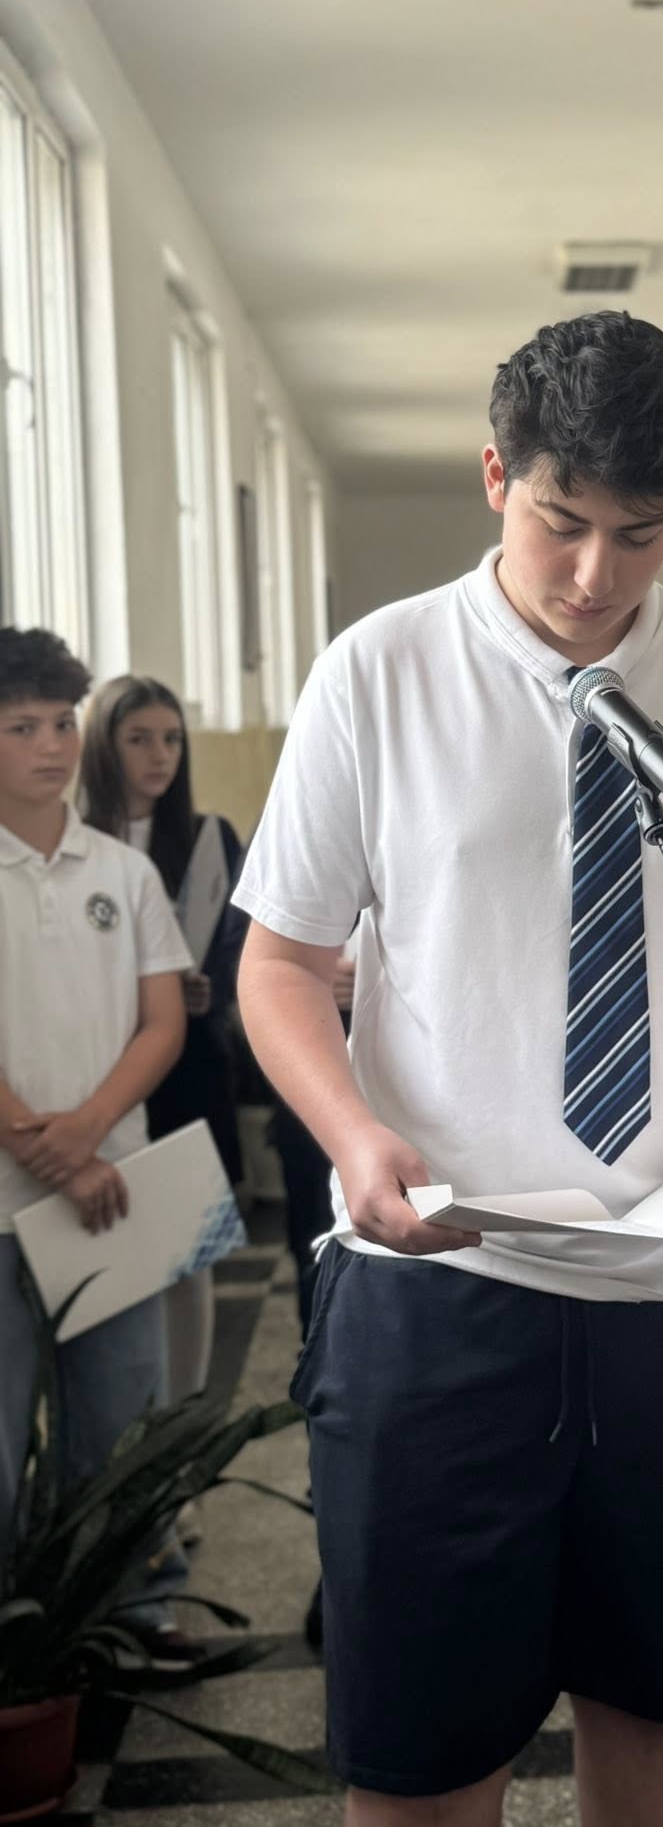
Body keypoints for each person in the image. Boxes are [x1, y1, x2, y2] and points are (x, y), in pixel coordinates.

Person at [232, 311, 663, 1827]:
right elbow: (277, 966)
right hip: (443, 1285)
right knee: (424, 1759)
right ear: (497, 475)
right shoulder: (380, 673)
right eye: (562, 521)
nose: (598, 573)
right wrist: (351, 1135)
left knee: (661, 1723)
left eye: (642, 533)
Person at [0, 628, 201, 1672]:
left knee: (125, 1421)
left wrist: (84, 1136)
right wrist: (46, 1146)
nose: (50, 746)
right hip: (7, 1200)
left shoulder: (122, 873)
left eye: (60, 724)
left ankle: (137, 1612)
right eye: (20, 727)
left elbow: (162, 1023)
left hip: (116, 1189)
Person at [77, 676, 248, 1453]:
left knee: (187, 1255)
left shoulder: (209, 838)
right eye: (139, 739)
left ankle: (178, 1442)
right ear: (102, 747)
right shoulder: (73, 840)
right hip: (97, 1075)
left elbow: (246, 952)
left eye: (172, 739)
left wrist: (214, 987)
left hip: (187, 1070)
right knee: (107, 1261)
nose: (160, 756)